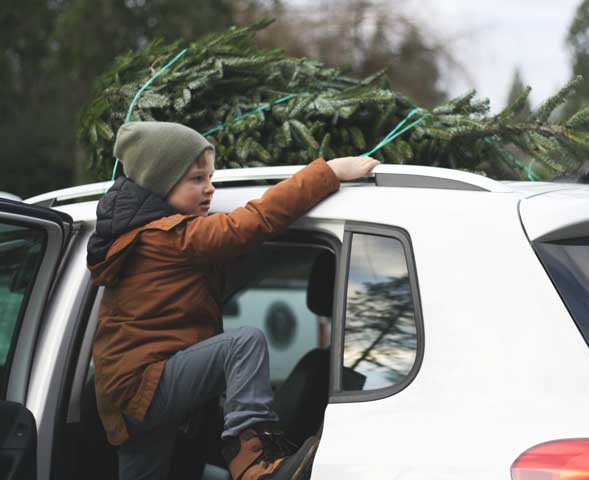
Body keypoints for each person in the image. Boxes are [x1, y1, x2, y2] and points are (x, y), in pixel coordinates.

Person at [87, 121, 379, 480]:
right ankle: (252, 462)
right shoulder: (170, 238)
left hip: (127, 397)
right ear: (161, 182)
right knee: (242, 345)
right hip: (146, 386)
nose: (209, 188)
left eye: (211, 177)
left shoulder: (147, 239)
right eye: (196, 179)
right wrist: (328, 172)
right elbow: (251, 222)